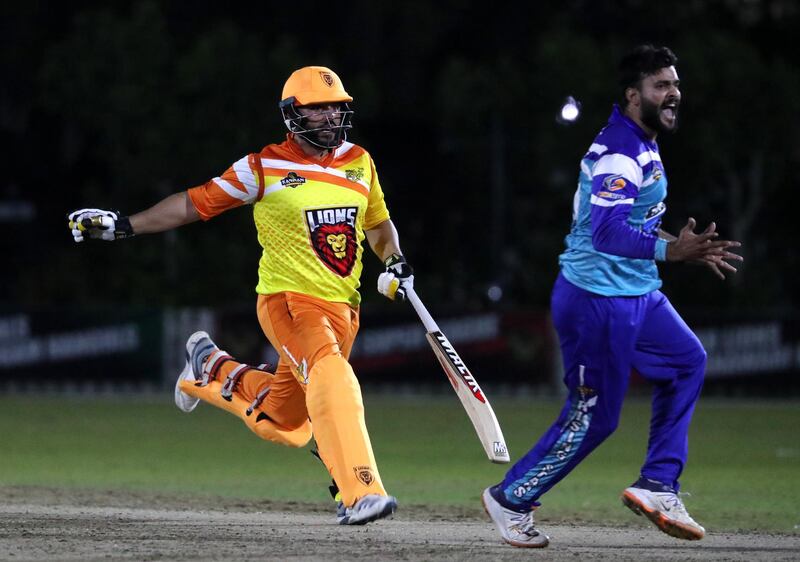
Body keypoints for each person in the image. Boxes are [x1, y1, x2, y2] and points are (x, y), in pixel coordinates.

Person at [68, 66, 415, 525]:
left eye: (337, 107)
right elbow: (195, 203)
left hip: (344, 308)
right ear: (294, 115)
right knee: (334, 377)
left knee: (287, 424)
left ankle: (207, 368)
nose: (332, 115)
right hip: (289, 301)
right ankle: (358, 492)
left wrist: (395, 261)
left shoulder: (360, 161)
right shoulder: (263, 167)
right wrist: (125, 225)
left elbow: (377, 225)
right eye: (319, 108)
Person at [482, 45, 743, 547]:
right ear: (632, 95)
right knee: (595, 418)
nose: (673, 95)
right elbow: (605, 234)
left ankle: (659, 484)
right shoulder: (620, 151)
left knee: (688, 361)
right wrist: (673, 255)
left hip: (637, 294)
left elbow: (633, 221)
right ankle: (511, 497)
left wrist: (680, 246)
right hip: (597, 302)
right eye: (660, 86)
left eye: (675, 84)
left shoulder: (642, 142)